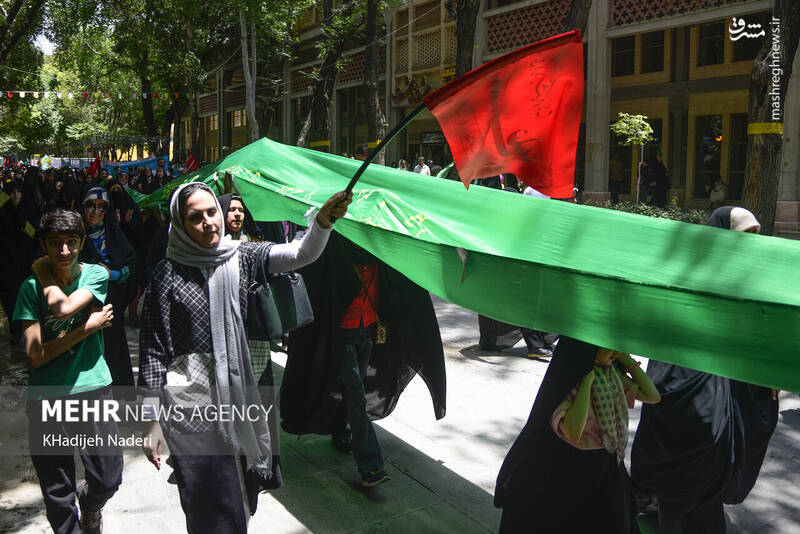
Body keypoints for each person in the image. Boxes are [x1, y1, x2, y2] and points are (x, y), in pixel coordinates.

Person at [139, 182, 351, 533]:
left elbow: (300, 255)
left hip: (241, 400)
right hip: (191, 407)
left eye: (212, 212)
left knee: (241, 498)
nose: (209, 222)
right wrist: (151, 420)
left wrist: (323, 223)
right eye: (196, 217)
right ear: (179, 223)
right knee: (208, 506)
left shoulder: (243, 255)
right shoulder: (166, 274)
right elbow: (153, 350)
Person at [630, 206, 775, 534]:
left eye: (755, 236)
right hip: (679, 383)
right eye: (743, 236)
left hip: (715, 388)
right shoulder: (689, 271)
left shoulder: (744, 279)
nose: (751, 244)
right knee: (687, 470)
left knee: (702, 472)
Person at [280, 233, 447, 487]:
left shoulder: (380, 254)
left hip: (368, 333)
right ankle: (370, 465)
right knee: (356, 395)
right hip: (341, 336)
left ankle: (342, 431)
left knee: (352, 389)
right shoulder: (333, 252)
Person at [14, 208, 122, 534]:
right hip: (47, 396)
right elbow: (35, 356)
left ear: (82, 241)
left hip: (93, 389)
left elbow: (61, 310)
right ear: (43, 245)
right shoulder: (29, 289)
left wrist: (46, 275)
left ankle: (90, 505)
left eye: (71, 242)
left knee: (108, 478)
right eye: (55, 243)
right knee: (58, 492)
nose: (64, 251)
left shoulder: (95, 275)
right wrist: (87, 329)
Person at [495, 337, 660, 533]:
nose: (614, 349)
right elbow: (573, 433)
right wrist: (586, 382)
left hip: (605, 467)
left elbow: (652, 396)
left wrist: (628, 361)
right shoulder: (568, 382)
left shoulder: (611, 375)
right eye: (606, 344)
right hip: (570, 472)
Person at [79, 188, 139, 396]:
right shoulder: (74, 237)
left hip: (111, 306)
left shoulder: (114, 234)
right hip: (81, 310)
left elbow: (131, 264)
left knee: (114, 350)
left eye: (101, 207)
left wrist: (113, 274)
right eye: (90, 206)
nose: (96, 211)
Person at [0, 181, 40, 344]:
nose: (16, 195)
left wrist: (24, 225)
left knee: (28, 295)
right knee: (10, 298)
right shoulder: (3, 214)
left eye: (18, 192)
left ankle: (29, 327)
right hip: (6, 264)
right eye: (12, 192)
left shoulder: (29, 210)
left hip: (26, 263)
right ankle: (16, 331)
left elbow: (37, 235)